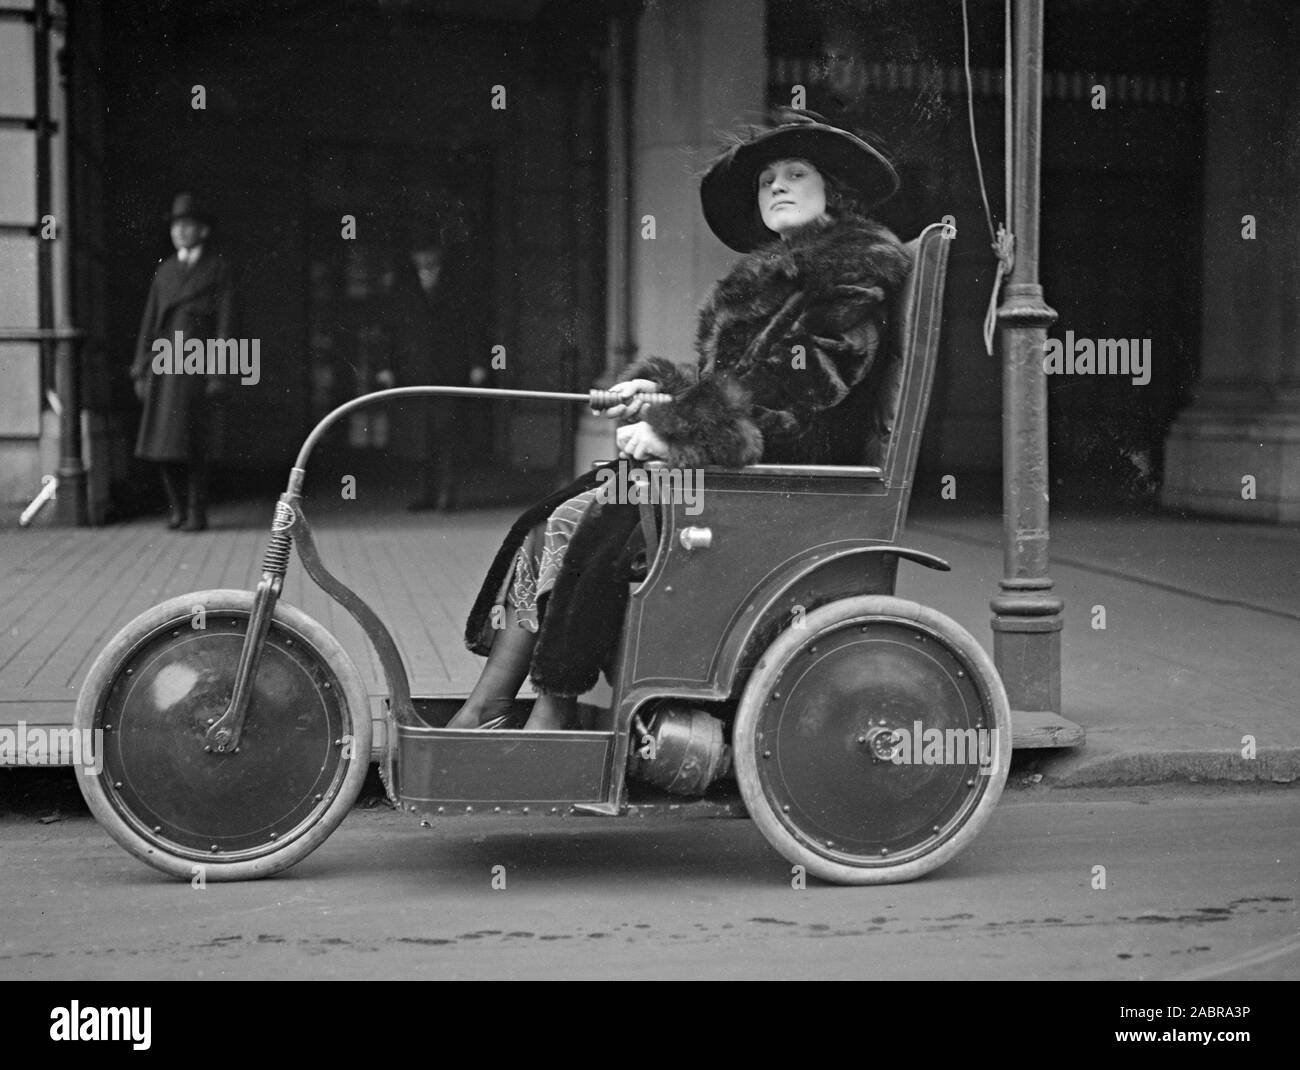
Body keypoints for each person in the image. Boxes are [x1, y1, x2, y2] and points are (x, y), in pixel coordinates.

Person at [448, 110, 913, 731]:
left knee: (593, 516)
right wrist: (659, 394)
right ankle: (503, 705)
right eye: (765, 178)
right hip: (743, 471)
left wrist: (675, 432)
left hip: (789, 480)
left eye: (796, 173)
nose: (775, 185)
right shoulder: (781, 280)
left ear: (837, 192)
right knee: (557, 517)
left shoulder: (849, 281)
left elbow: (799, 394)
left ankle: (548, 704)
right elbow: (738, 384)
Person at [129, 192, 237, 532]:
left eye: (187, 226)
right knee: (162, 444)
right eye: (176, 226)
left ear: (203, 231)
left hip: (199, 363)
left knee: (195, 444)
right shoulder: (165, 272)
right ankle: (176, 509)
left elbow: (226, 323)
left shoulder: (218, 268)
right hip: (164, 364)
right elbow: (150, 322)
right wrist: (140, 368)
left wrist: (219, 373)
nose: (179, 232)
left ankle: (197, 512)